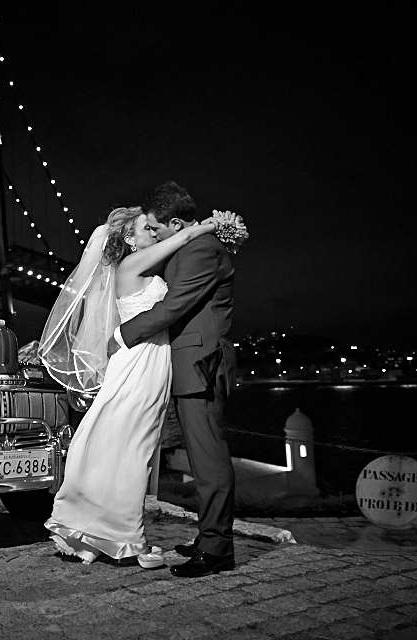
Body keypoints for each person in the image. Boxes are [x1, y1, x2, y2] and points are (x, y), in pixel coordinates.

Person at [38, 205, 218, 567]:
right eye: (146, 229)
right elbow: (184, 235)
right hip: (140, 363)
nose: (153, 232)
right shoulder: (131, 265)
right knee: (134, 448)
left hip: (147, 361)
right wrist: (213, 225)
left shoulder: (137, 266)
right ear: (130, 239)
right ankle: (128, 540)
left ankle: (93, 533)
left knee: (122, 445)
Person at [112, 181, 237, 578]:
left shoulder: (200, 249)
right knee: (203, 458)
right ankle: (209, 537)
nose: (153, 234)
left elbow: (174, 305)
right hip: (187, 364)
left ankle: (217, 550)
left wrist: (123, 335)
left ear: (177, 224)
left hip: (201, 363)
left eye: (156, 227)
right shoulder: (189, 245)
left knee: (209, 459)